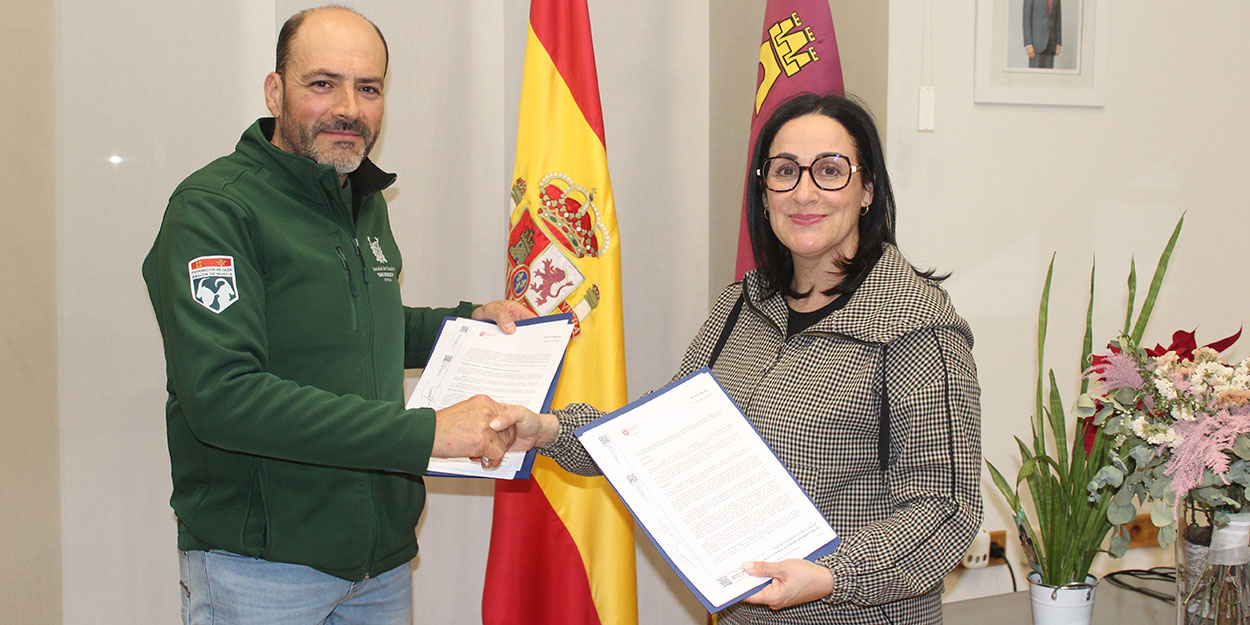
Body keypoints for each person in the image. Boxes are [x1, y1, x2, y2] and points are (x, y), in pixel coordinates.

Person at [497, 93, 982, 624]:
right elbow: (654, 443)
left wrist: (832, 576)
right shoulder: (740, 307)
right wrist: (547, 430)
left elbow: (947, 511)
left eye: (830, 170)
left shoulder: (917, 325)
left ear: (867, 190)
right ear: (764, 191)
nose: (805, 192)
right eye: (784, 171)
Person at [141, 6, 533, 624]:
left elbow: (361, 330)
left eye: (368, 88)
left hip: (380, 563)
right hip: (262, 569)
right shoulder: (214, 209)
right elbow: (223, 395)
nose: (348, 106)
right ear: (276, 91)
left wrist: (467, 327)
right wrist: (425, 432)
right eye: (322, 83)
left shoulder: (359, 198)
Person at [1024, 0, 1062, 69]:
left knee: (1048, 77)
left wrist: (1058, 42)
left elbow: (1058, 19)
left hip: (1051, 43)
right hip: (1036, 45)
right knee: (1034, 76)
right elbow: (1026, 19)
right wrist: (1028, 44)